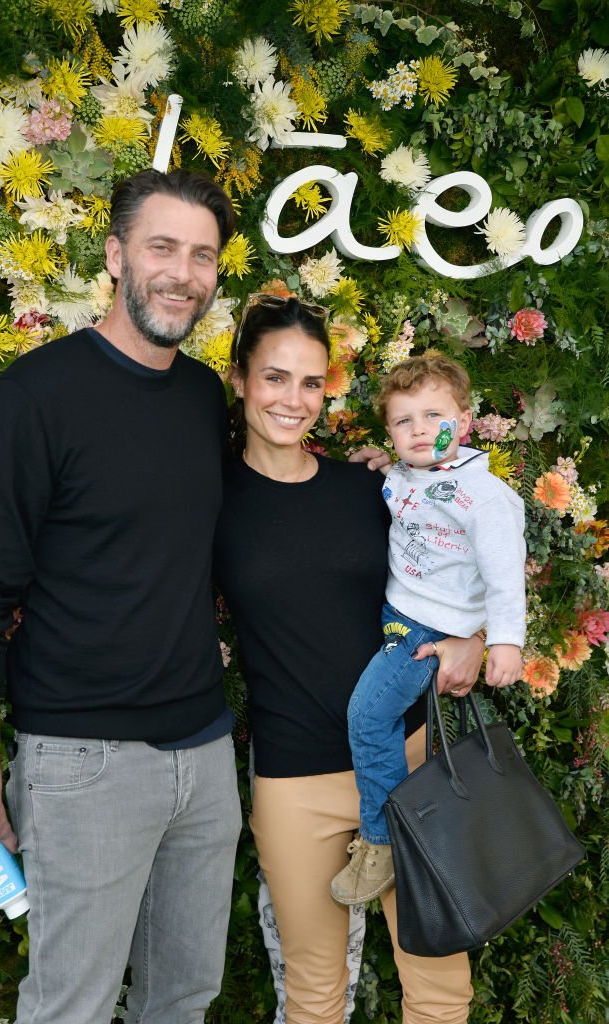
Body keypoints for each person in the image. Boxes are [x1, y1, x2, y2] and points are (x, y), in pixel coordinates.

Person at [0, 168, 243, 1024]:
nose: (184, 272)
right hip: (83, 763)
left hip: (205, 758)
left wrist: (391, 482)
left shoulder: (202, 397)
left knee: (184, 1000)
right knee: (71, 1007)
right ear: (115, 257)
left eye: (203, 255)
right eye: (162, 248)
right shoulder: (32, 400)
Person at [213, 294, 483, 1024]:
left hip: (406, 764)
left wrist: (475, 640)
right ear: (239, 379)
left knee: (438, 985)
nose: (293, 400)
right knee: (313, 993)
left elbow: (460, 574)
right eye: (274, 378)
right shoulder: (210, 503)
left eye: (310, 382)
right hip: (293, 784)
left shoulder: (373, 488)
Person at [330, 354, 526, 906]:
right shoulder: (410, 474)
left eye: (432, 416)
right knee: (378, 716)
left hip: (427, 632)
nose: (418, 430)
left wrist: (505, 641)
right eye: (402, 421)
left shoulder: (482, 498)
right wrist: (379, 463)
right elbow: (404, 488)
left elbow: (505, 573)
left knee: (368, 717)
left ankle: (383, 839)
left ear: (463, 422)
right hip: (400, 618)